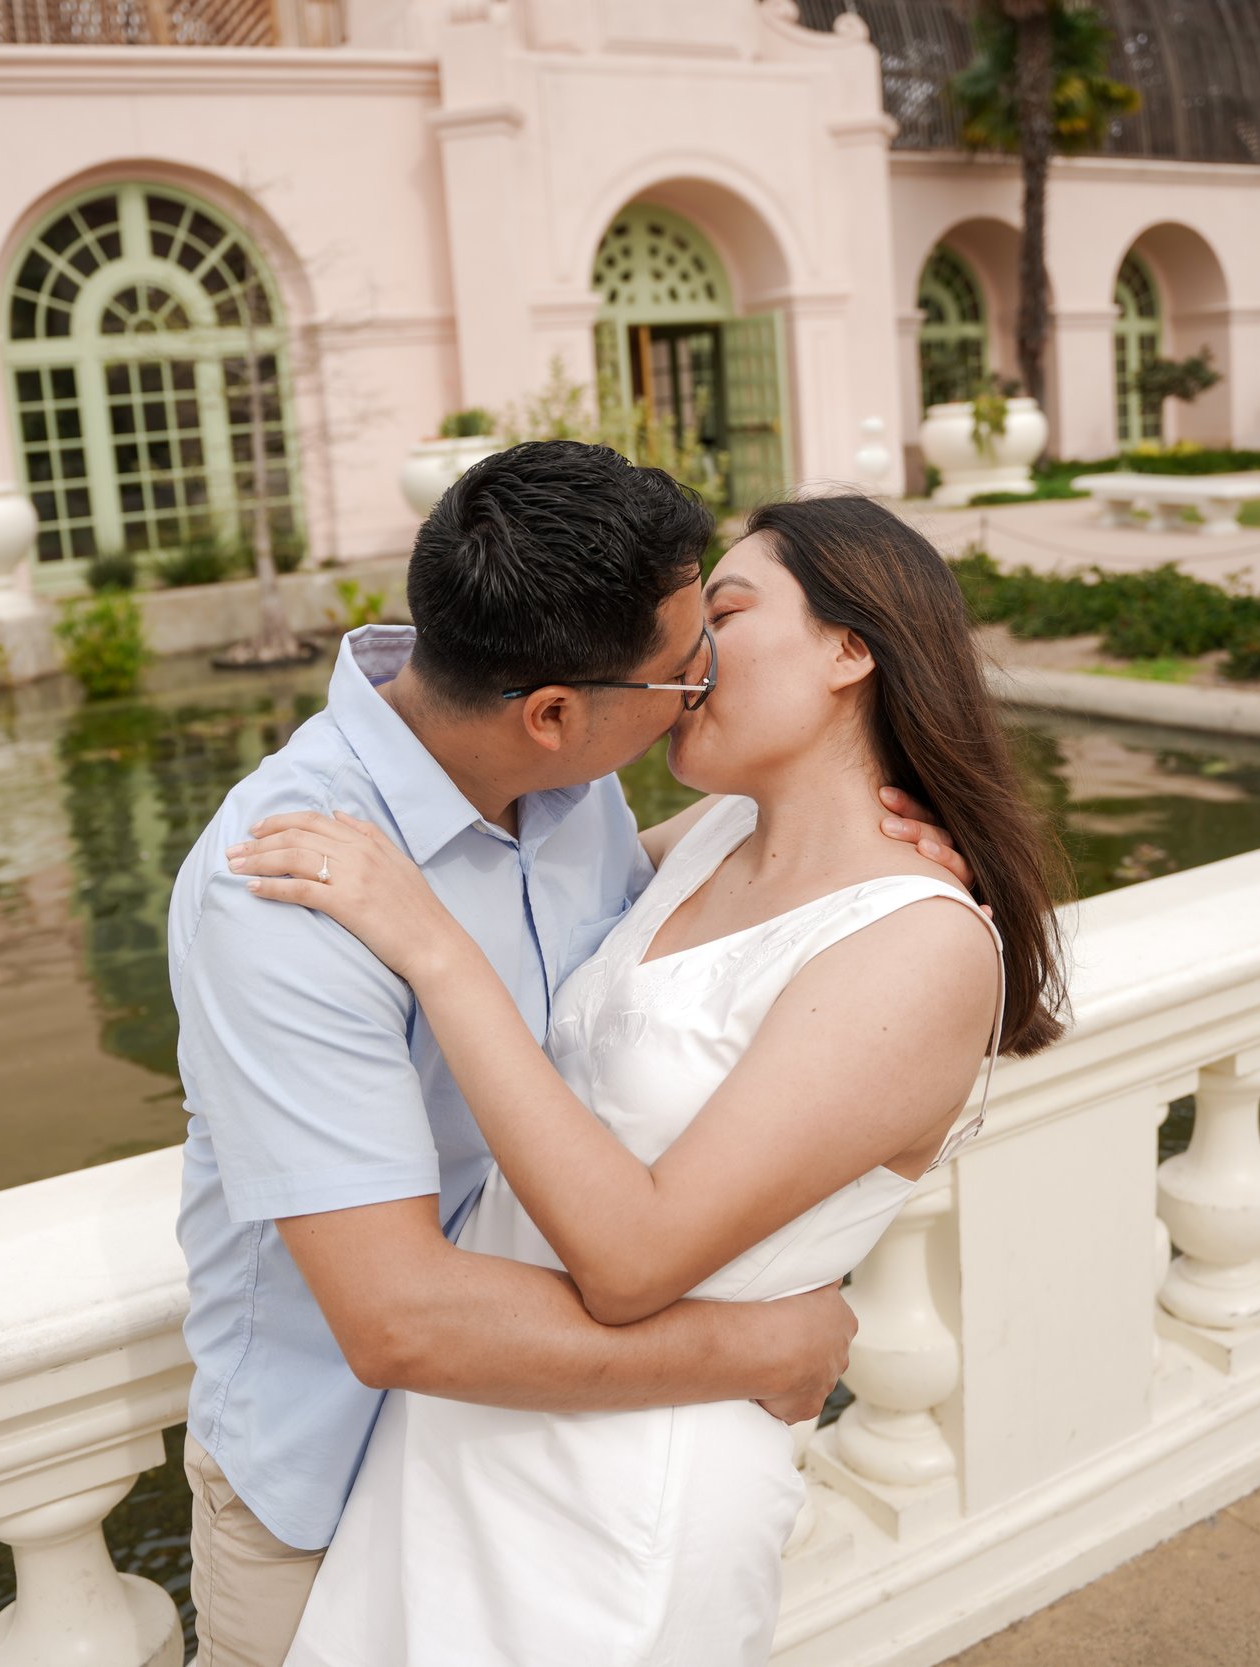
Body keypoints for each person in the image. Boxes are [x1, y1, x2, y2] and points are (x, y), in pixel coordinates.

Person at [167, 443, 975, 1666]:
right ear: (550, 711)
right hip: (333, 1467)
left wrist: (855, 822)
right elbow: (398, 1322)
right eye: (680, 663)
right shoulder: (290, 880)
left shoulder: (575, 784)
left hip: (573, 1459)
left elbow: (667, 933)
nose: (696, 680)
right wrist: (759, 1343)